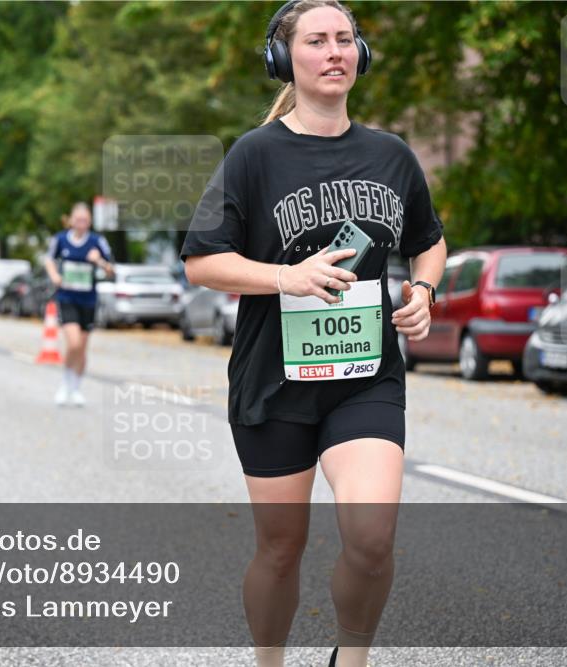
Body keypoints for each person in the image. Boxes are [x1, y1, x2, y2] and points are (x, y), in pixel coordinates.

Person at [180, 2, 447, 666]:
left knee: (372, 538)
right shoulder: (254, 155)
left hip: (365, 378)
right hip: (274, 380)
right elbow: (202, 261)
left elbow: (429, 241)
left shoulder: (391, 155)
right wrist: (286, 276)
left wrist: (424, 291)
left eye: (345, 39)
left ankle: (349, 658)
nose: (334, 51)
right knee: (280, 547)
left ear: (361, 54)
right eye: (317, 40)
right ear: (284, 59)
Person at [43, 202, 115, 406]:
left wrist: (99, 261)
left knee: (82, 348)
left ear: (89, 221)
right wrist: (54, 275)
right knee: (73, 343)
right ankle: (65, 384)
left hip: (88, 300)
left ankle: (75, 388)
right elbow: (48, 259)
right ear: (71, 220)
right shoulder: (60, 239)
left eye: (85, 220)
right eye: (78, 219)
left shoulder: (97, 241)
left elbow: (111, 269)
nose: (81, 223)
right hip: (67, 297)